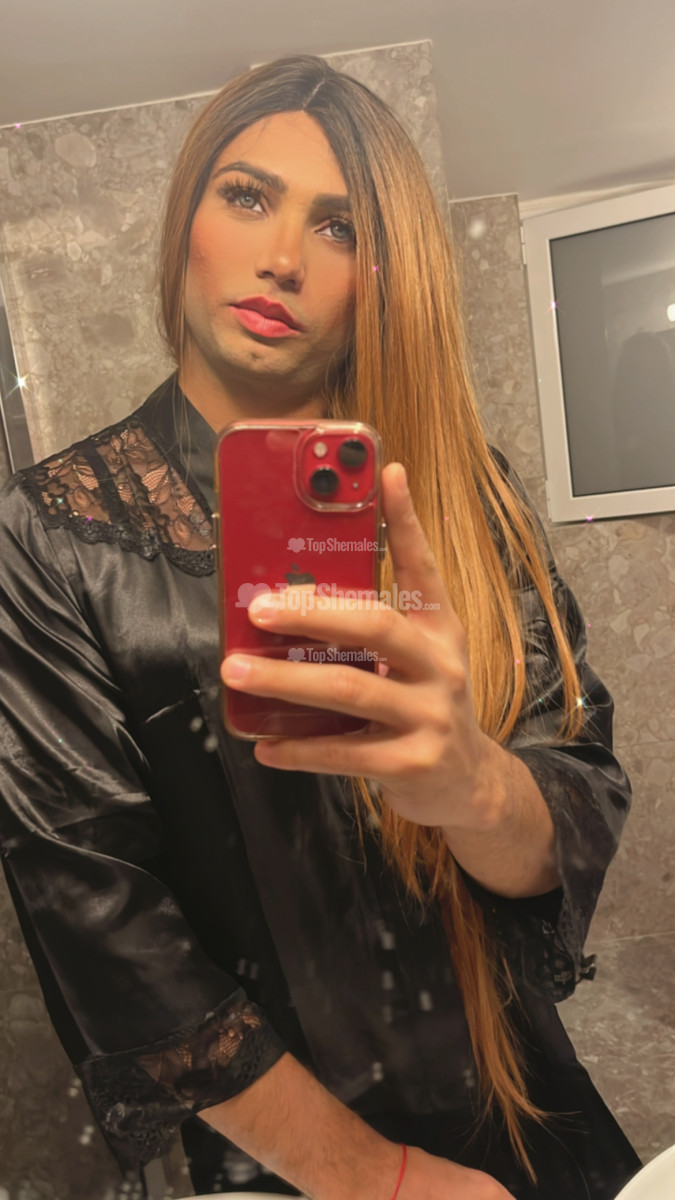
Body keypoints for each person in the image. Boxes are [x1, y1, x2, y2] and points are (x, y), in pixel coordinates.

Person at [0, 54, 641, 1200]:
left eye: (338, 225)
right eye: (246, 195)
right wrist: (375, 1177)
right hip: (286, 1166)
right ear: (186, 221)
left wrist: (473, 785)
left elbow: (578, 794)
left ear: (379, 274)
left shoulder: (463, 495)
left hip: (529, 1113)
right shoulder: (52, 535)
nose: (284, 256)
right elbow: (101, 924)